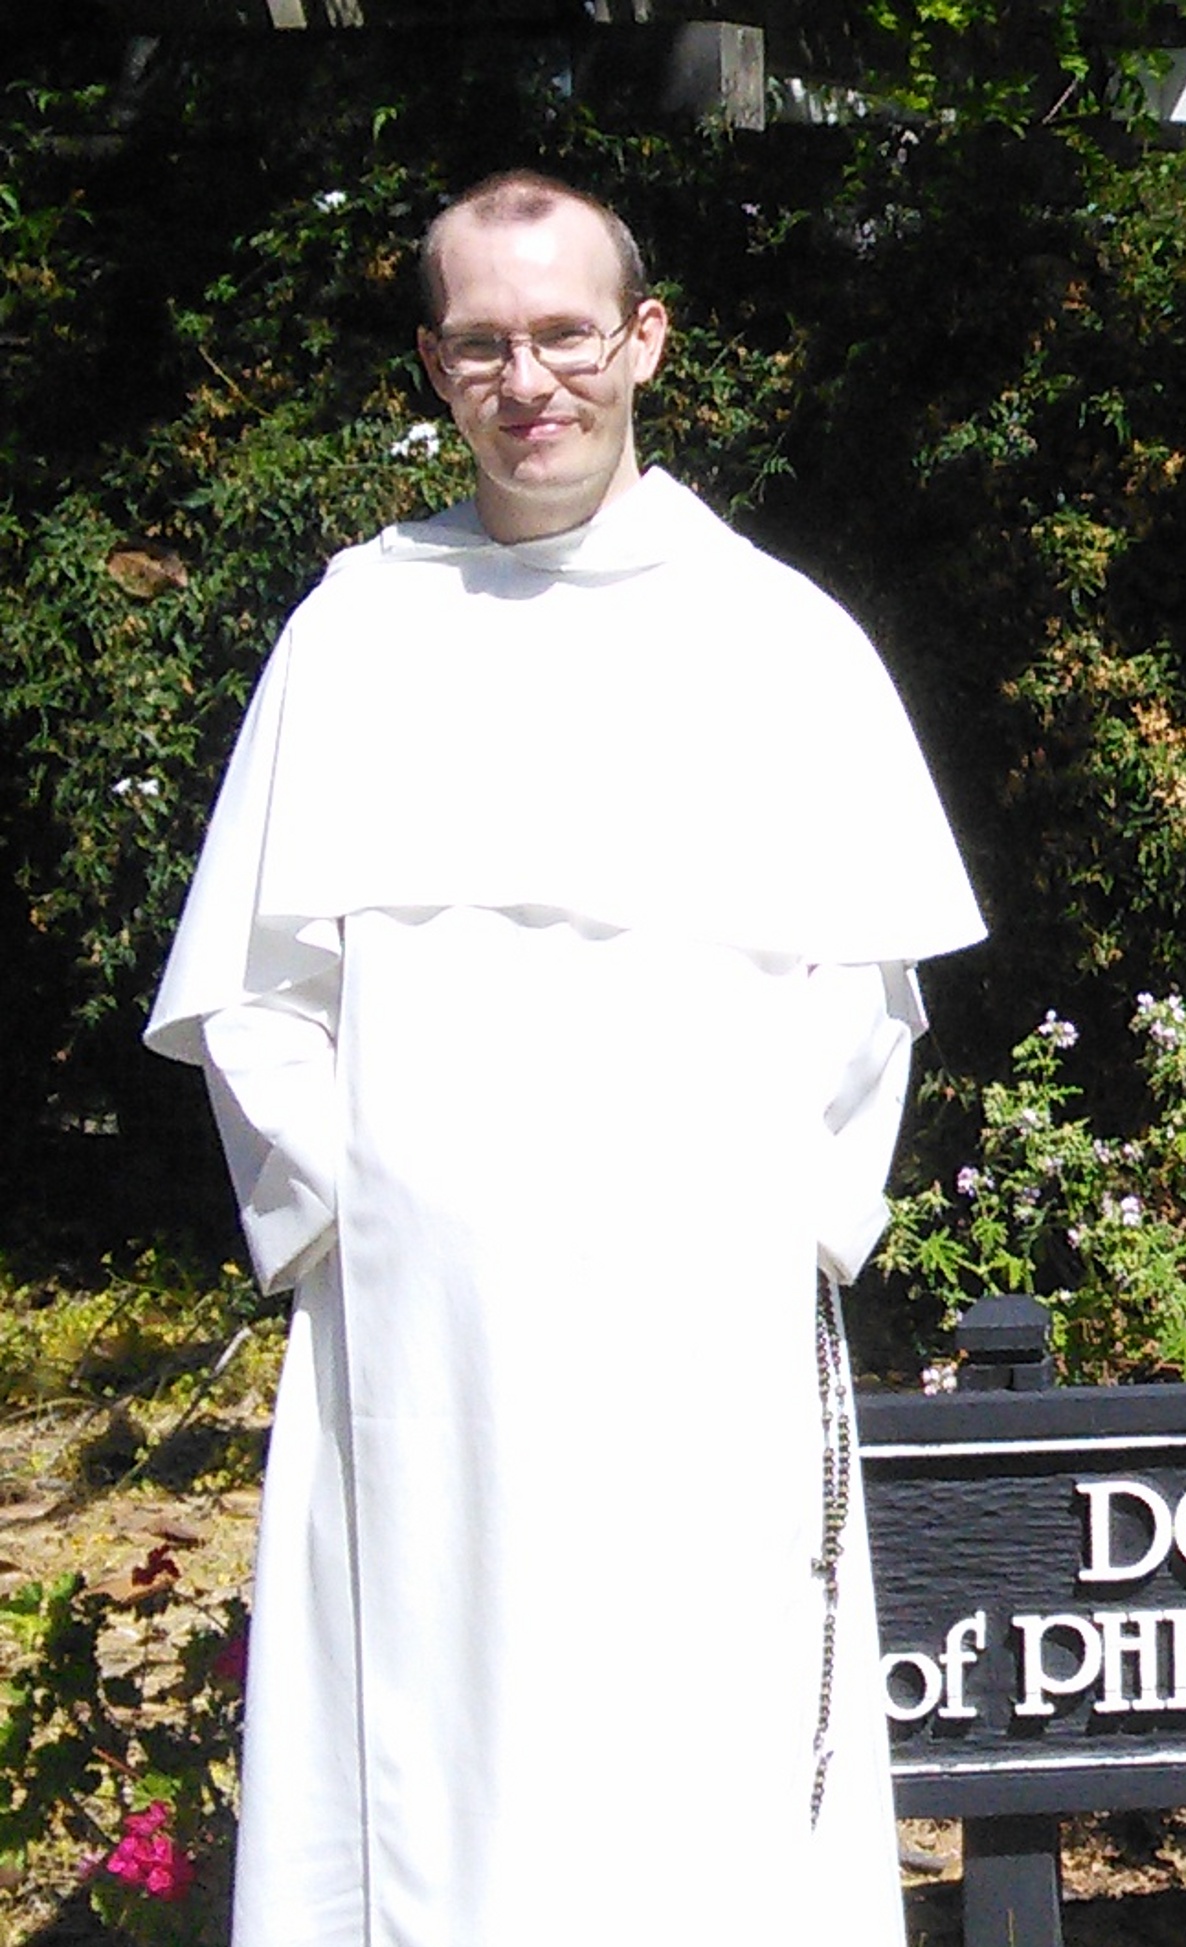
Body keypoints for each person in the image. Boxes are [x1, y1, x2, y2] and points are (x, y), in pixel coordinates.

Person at [145, 170, 984, 1945]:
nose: (529, 379)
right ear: (437, 365)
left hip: (698, 1320)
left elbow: (863, 993)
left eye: (564, 334)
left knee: (696, 1734)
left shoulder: (777, 638)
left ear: (643, 343)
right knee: (431, 1745)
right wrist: (357, 1206)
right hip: (420, 1334)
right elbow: (252, 1005)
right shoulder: (354, 632)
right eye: (483, 342)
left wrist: (773, 1218)